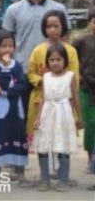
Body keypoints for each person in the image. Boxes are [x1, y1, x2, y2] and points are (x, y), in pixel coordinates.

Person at [33, 43, 83, 192]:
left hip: (63, 114)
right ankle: (44, 179)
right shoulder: (46, 76)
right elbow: (42, 98)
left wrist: (79, 118)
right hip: (47, 113)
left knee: (62, 146)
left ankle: (63, 179)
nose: (55, 63)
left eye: (58, 59)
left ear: (65, 61)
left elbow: (75, 98)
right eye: (52, 60)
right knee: (43, 145)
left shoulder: (70, 76)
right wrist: (38, 118)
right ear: (47, 61)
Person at [26, 10, 80, 143]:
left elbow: (75, 77)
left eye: (56, 26)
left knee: (61, 140)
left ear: (63, 27)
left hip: (63, 101)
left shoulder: (71, 51)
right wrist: (41, 81)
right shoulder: (38, 50)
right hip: (41, 100)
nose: (52, 30)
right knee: (42, 139)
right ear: (44, 29)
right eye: (48, 27)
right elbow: (31, 73)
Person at [2, 0, 69, 67]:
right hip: (22, 69)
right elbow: (6, 42)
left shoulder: (59, 9)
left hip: (52, 69)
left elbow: (65, 40)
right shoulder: (13, 10)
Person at [0, 29, 28, 184]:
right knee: (0, 134)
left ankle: (20, 172)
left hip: (15, 106)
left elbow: (22, 84)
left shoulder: (17, 65)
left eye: (10, 46)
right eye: (4, 46)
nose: (7, 50)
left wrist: (8, 92)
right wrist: (7, 83)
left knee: (17, 133)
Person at [74, 6, 95, 168]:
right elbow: (72, 60)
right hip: (87, 87)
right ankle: (90, 158)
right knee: (90, 123)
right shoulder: (81, 40)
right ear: (90, 23)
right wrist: (79, 76)